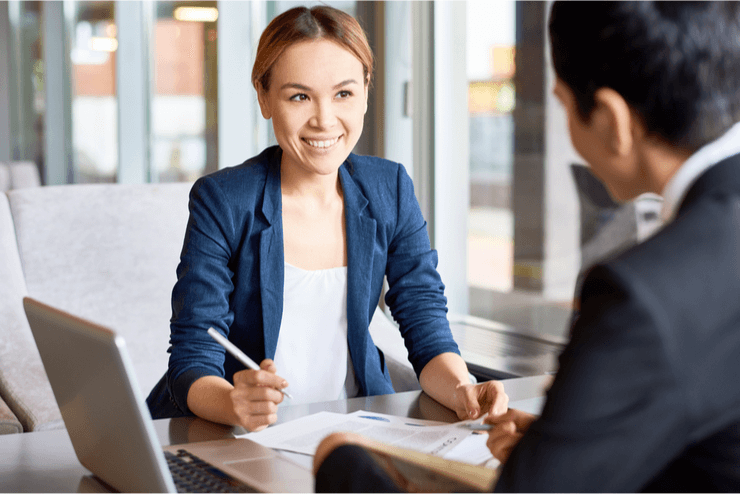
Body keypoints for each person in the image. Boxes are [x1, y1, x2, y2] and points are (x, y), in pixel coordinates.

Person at [312, 1, 740, 491]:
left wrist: (342, 463)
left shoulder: (641, 295)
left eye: (560, 104)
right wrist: (569, 444)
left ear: (611, 119)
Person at [145, 5, 508, 433]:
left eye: (343, 94)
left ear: (366, 92)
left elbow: (425, 323)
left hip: (351, 426)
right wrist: (234, 403)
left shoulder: (389, 187)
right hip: (233, 434)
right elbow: (192, 355)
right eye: (299, 96)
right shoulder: (223, 200)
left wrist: (462, 387)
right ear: (264, 97)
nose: (323, 119)